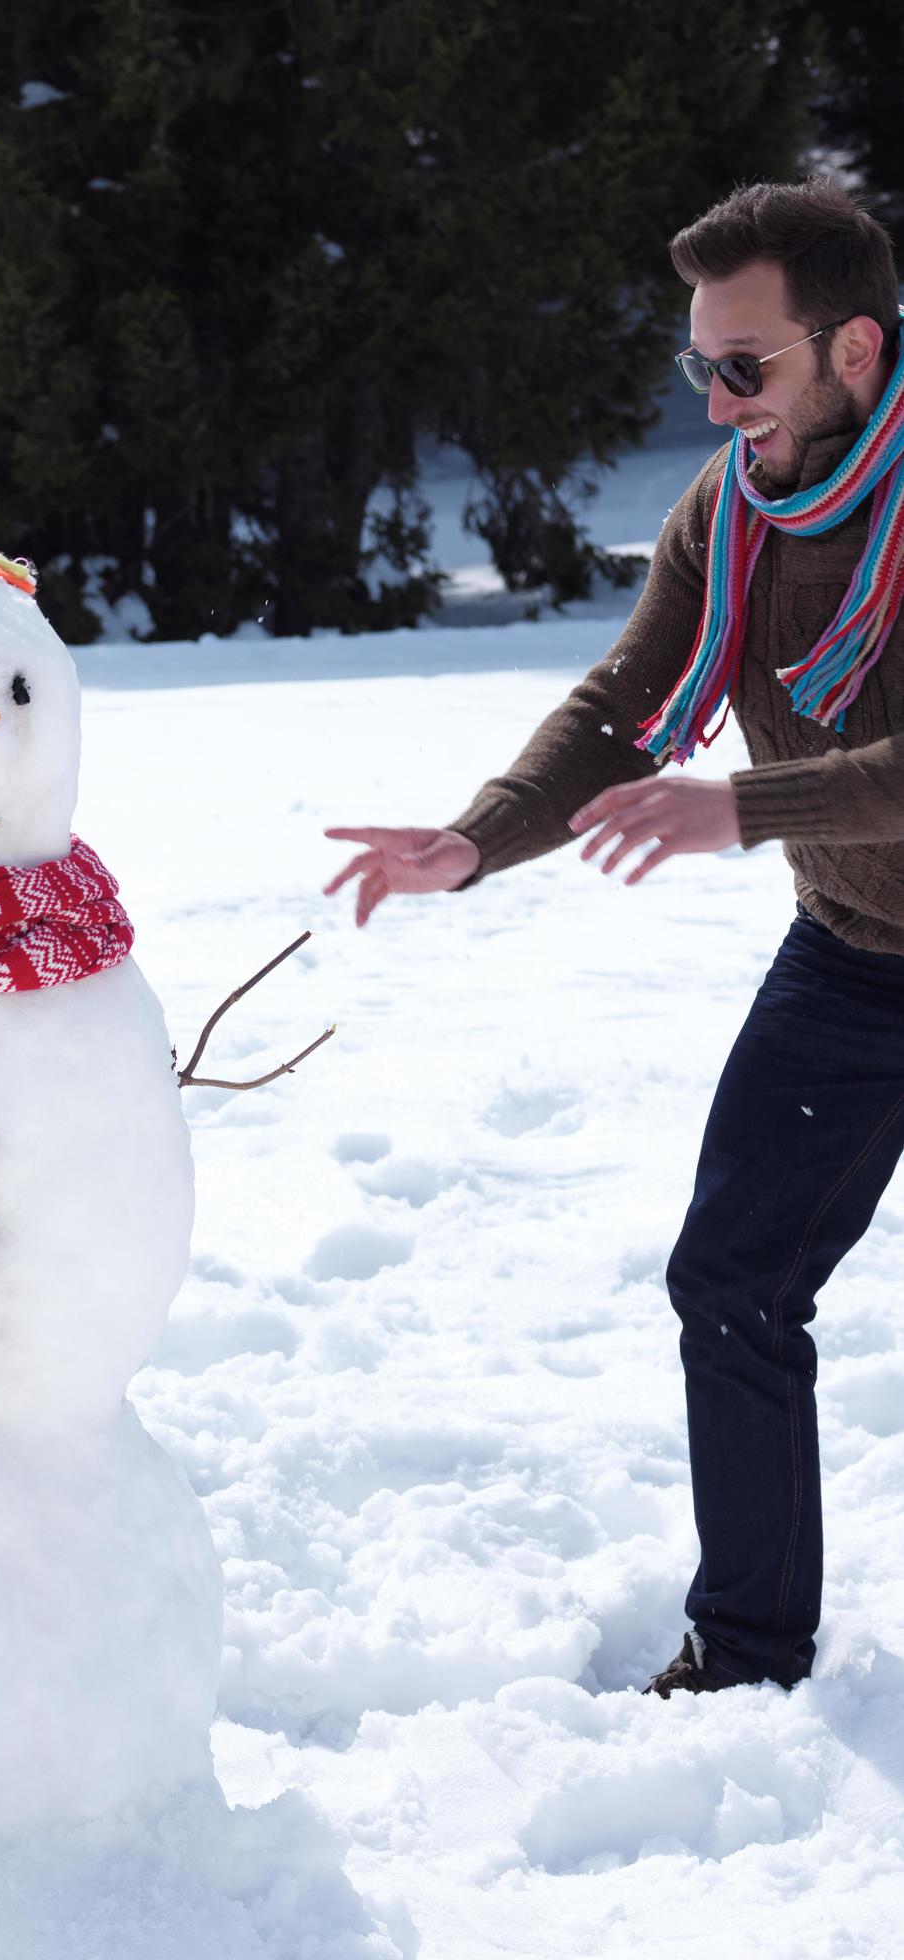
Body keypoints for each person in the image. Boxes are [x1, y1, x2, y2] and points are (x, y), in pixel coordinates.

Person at [324, 177, 904, 1697]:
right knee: (733, 1281)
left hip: (838, 893)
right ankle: (752, 1652)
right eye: (697, 369)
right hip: (860, 955)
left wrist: (748, 807)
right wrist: (478, 837)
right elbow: (625, 704)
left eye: (743, 367)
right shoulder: (737, 511)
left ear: (851, 353)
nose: (717, 405)